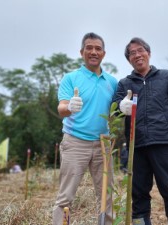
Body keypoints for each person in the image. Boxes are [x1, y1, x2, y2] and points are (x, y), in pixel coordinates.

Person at [113, 37, 168, 225]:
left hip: (162, 141)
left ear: (149, 53)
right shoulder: (124, 84)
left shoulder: (166, 77)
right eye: (132, 53)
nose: (137, 55)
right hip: (136, 145)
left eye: (141, 50)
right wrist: (120, 107)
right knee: (138, 192)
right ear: (129, 59)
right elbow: (114, 111)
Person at [52, 32, 118, 225]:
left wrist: (124, 108)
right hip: (75, 142)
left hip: (103, 144)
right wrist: (69, 107)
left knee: (107, 195)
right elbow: (61, 108)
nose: (93, 52)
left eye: (98, 48)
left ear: (104, 54)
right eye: (89, 48)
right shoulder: (71, 78)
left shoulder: (112, 82)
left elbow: (118, 111)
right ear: (82, 52)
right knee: (65, 197)